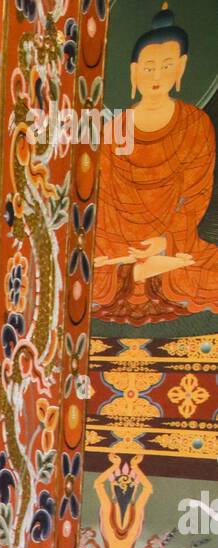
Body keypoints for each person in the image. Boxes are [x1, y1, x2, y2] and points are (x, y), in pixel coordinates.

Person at [92, 4, 218, 324]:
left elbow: (196, 197)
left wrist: (166, 242)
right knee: (72, 272)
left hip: (174, 241)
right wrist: (121, 245)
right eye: (148, 67)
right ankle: (138, 271)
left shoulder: (196, 123)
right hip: (119, 242)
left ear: (182, 68)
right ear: (134, 72)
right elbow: (104, 199)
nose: (157, 76)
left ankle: (142, 272)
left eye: (167, 65)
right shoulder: (115, 127)